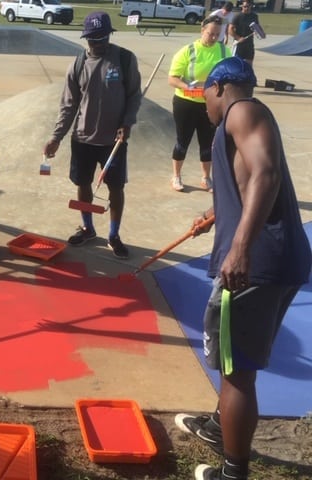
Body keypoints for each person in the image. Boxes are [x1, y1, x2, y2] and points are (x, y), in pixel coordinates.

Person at [174, 57, 311, 480]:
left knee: (236, 372)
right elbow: (250, 181)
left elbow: (266, 173)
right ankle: (219, 428)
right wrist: (215, 214)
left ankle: (233, 473)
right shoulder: (235, 124)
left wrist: (239, 247)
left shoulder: (242, 110)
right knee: (238, 358)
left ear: (218, 87)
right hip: (277, 259)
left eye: (205, 96)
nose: (205, 105)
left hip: (256, 266)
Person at [44, 11, 142, 258]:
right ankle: (88, 227)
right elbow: (68, 106)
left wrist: (128, 122)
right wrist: (56, 137)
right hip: (83, 139)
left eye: (101, 38)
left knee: (116, 188)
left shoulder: (124, 59)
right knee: (83, 184)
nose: (97, 44)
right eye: (92, 39)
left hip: (114, 141)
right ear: (86, 38)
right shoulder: (77, 65)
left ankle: (113, 234)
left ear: (109, 35)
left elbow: (134, 95)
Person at [168, 16, 231, 192]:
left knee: (207, 142)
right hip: (186, 103)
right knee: (183, 141)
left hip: (210, 105)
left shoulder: (225, 51)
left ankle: (206, 178)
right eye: (210, 33)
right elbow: (172, 78)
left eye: (217, 35)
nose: (213, 38)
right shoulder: (188, 51)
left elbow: (230, 75)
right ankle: (176, 176)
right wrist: (187, 87)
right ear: (202, 30)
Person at [230, 1, 261, 66]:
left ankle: (247, 75)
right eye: (244, 6)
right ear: (242, 6)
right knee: (236, 63)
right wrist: (238, 38)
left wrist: (258, 32)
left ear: (251, 6)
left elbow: (257, 27)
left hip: (249, 44)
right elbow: (230, 29)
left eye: (248, 6)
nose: (246, 8)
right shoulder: (238, 16)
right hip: (239, 44)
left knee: (249, 64)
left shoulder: (254, 16)